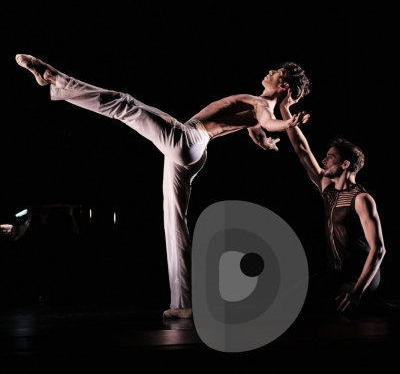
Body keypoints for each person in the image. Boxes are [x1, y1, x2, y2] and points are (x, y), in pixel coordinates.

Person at [15, 54, 311, 318]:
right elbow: (259, 129)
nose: (270, 71)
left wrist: (284, 126)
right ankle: (183, 302)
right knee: (175, 221)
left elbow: (267, 122)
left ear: (284, 85)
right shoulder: (261, 109)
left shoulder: (262, 105)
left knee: (125, 103)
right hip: (194, 153)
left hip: (189, 139)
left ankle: (54, 78)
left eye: (276, 72)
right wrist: (268, 140)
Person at [279, 90, 386, 318]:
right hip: (335, 272)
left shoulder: (362, 198)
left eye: (331, 157)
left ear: (345, 164)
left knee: (338, 305)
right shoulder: (327, 189)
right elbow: (302, 150)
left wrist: (357, 292)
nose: (324, 160)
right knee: (292, 300)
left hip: (360, 275)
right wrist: (285, 112)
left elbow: (378, 250)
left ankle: (375, 305)